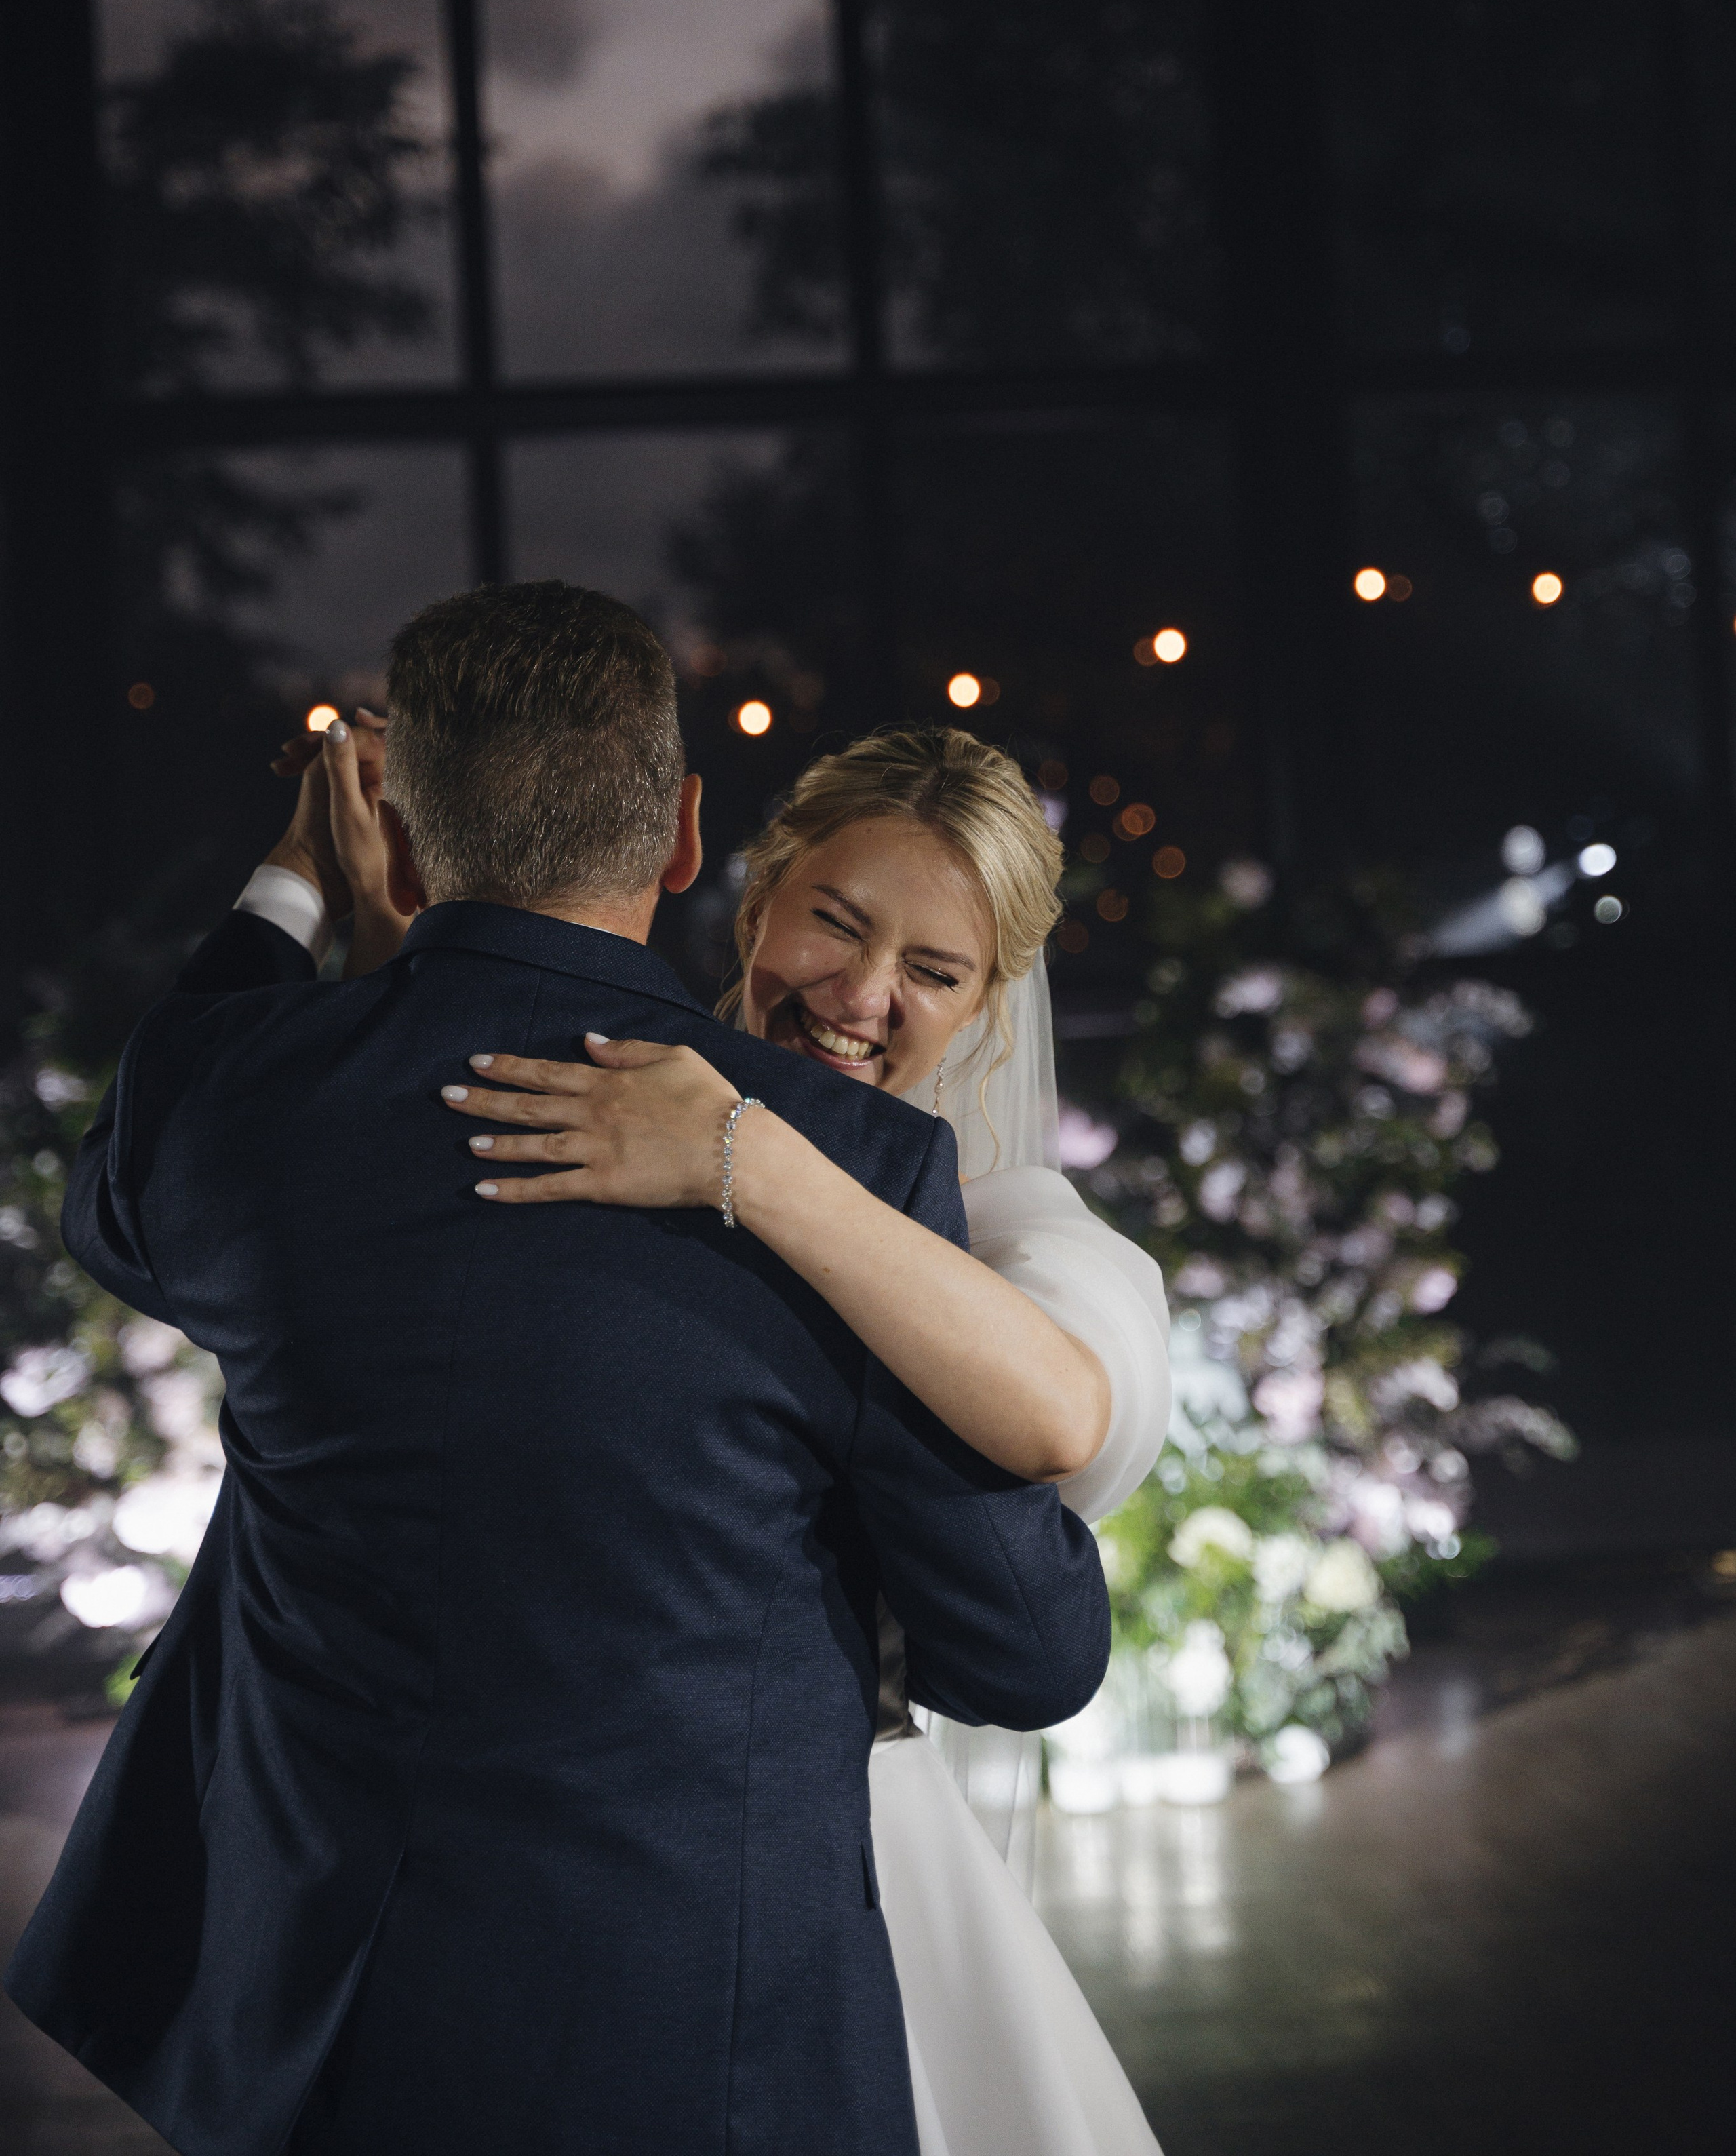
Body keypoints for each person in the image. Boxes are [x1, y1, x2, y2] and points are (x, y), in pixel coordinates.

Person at [5, 583, 1111, 2156]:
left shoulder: (234, 1100)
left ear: (395, 834)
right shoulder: (851, 1172)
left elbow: (121, 1192)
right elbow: (1028, 1654)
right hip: (697, 2041)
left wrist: (295, 892)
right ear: (685, 838)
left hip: (326, 2035)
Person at [310, 714, 1172, 2156]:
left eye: (933, 971)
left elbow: (1067, 1411)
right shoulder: (598, 1096)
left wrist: (745, 1156)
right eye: (832, 923)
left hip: (820, 1862)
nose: (861, 992)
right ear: (753, 885)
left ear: (988, 1006)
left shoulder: (1011, 1230)